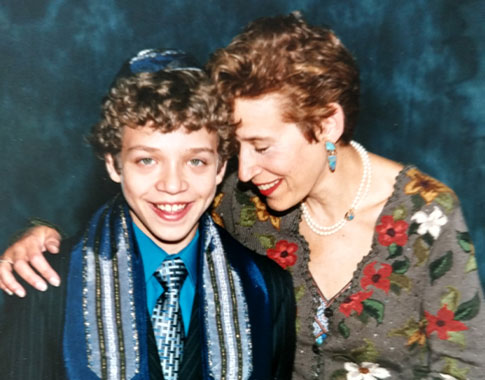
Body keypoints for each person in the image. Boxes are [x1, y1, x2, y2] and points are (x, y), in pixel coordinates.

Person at [2, 12, 484, 379]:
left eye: (260, 146)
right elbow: (150, 206)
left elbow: (466, 365)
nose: (246, 171)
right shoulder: (240, 198)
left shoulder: (427, 214)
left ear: (327, 123)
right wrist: (39, 234)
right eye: (235, 149)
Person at [0, 48, 295, 380]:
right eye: (147, 160)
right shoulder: (47, 282)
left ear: (220, 167)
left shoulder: (266, 287)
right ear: (114, 164)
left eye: (195, 161)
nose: (172, 185)